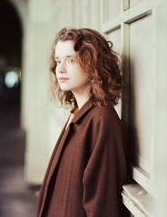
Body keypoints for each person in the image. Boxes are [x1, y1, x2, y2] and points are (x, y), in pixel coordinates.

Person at [36, 28, 130, 217]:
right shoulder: (78, 114)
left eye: (71, 60)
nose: (60, 69)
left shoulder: (102, 121)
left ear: (92, 64)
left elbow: (102, 206)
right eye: (58, 60)